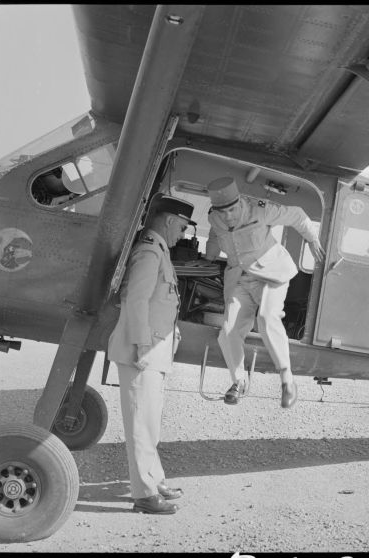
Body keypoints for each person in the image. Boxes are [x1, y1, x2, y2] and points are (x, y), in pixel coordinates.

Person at [107, 193, 196, 514]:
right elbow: (136, 300)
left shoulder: (159, 251)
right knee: (141, 426)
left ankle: (154, 480)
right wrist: (142, 344)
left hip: (154, 351)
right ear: (170, 221)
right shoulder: (148, 251)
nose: (183, 235)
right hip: (141, 350)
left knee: (150, 423)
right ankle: (144, 494)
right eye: (182, 227)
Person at [204, 177, 325, 408]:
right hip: (240, 278)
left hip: (271, 274)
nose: (227, 216)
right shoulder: (214, 217)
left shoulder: (260, 211)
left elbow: (297, 214)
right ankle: (239, 382)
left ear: (239, 201)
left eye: (231, 210)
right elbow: (215, 234)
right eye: (222, 212)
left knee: (267, 318)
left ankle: (287, 380)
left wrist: (311, 238)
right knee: (228, 330)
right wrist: (209, 257)